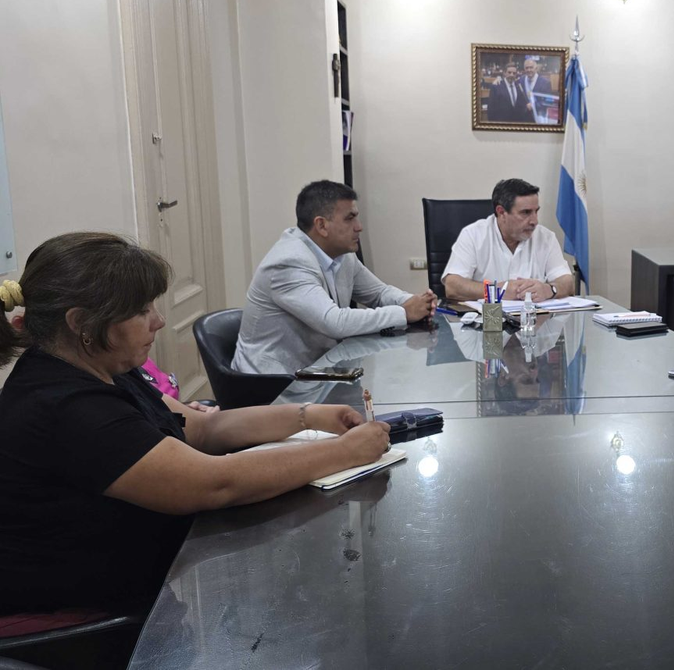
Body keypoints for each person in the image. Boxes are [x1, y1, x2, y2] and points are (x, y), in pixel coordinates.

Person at [0, 232, 392, 615]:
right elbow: (213, 483)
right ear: (82, 323)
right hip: (89, 613)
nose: (158, 320)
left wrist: (308, 415)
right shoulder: (65, 406)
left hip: (131, 584)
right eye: (141, 310)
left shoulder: (104, 367)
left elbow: (203, 429)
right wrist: (343, 452)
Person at [234, 180, 436, 375]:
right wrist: (404, 312)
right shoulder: (289, 262)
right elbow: (334, 322)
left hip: (317, 371)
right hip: (273, 383)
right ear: (322, 225)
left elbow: (378, 293)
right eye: (350, 218)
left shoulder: (342, 254)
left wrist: (416, 303)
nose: (359, 227)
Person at [441, 178, 574, 303]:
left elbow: (567, 282)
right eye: (526, 212)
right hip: (487, 319)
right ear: (501, 212)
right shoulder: (473, 235)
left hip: (535, 318)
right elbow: (452, 286)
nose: (534, 221)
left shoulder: (545, 237)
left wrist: (549, 289)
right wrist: (496, 291)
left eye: (536, 211)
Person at [521, 58, 552, 122]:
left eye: (531, 67)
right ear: (524, 69)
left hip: (539, 117)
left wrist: (533, 105)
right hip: (523, 118)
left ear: (536, 68)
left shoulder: (545, 83)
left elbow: (548, 101)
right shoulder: (521, 80)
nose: (529, 70)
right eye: (527, 68)